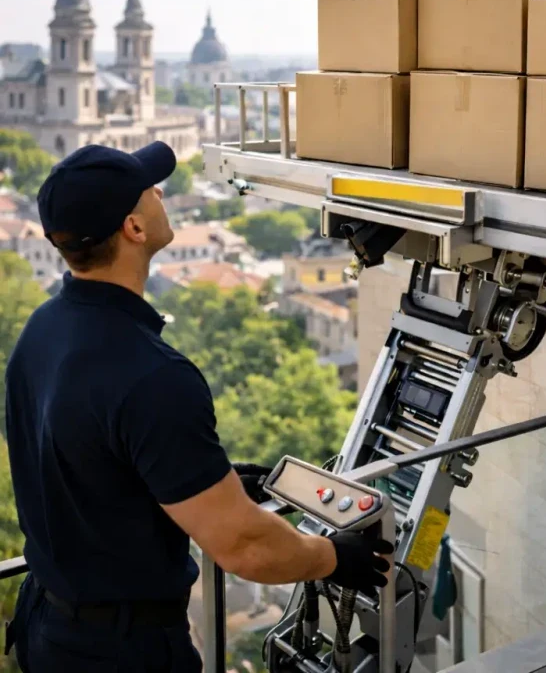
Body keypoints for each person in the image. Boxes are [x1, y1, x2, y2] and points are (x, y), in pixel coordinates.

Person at [3, 141, 392, 672]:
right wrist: (333, 557)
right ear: (133, 228)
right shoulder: (152, 375)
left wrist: (208, 482)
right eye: (149, 190)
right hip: (122, 654)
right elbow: (243, 546)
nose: (161, 194)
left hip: (49, 629)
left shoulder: (42, 328)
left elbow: (85, 466)